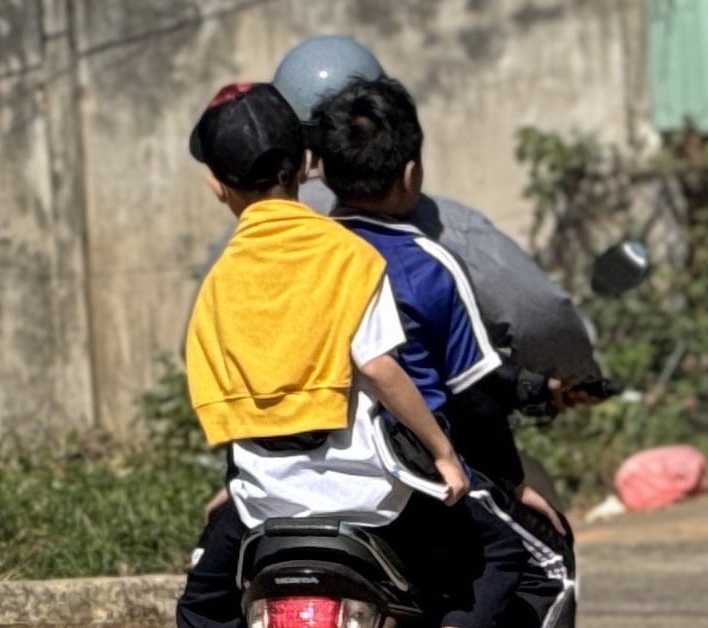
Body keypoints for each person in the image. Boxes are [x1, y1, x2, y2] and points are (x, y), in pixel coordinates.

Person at [274, 35, 585, 626]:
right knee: (543, 561)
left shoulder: (280, 247)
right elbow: (489, 377)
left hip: (291, 476)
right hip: (411, 466)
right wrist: (513, 481)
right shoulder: (437, 245)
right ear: (409, 168)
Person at [177, 81, 494, 627]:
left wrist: (233, 489)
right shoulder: (349, 257)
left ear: (214, 184)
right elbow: (377, 366)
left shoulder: (218, 284)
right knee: (485, 565)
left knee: (201, 607)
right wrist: (443, 454)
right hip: (369, 500)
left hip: (264, 507)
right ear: (305, 163)